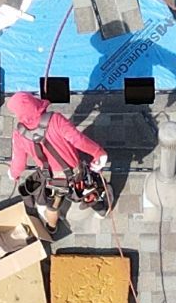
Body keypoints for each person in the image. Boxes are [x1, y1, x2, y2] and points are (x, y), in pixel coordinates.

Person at [8, 91, 111, 225]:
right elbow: (78, 140)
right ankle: (101, 210)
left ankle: (51, 227)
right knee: (87, 191)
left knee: (53, 205)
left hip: (50, 177)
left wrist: (13, 174)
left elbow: (19, 163)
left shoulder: (19, 135)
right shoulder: (55, 119)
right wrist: (98, 152)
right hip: (74, 172)